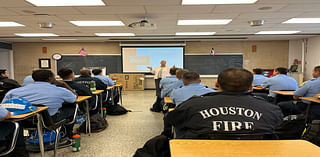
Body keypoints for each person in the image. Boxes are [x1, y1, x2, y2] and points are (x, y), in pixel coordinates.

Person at [166, 68, 283, 139]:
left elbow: (172, 119)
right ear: (251, 87)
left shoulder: (193, 105)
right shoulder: (271, 109)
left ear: (217, 83)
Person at [2, 70, 77, 139]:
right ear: (50, 79)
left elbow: (3, 107)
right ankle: (67, 134)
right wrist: (64, 84)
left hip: (22, 122)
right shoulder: (60, 90)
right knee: (72, 108)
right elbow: (74, 98)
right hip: (48, 122)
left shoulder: (14, 91)